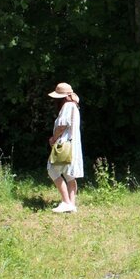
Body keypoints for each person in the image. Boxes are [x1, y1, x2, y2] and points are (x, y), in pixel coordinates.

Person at [47, 82, 83, 213]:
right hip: (72, 144)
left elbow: (62, 125)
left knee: (52, 170)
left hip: (64, 143)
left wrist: (53, 139)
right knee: (69, 174)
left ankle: (66, 202)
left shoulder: (67, 106)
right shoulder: (74, 106)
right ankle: (71, 205)